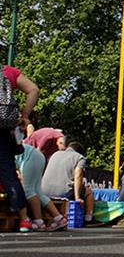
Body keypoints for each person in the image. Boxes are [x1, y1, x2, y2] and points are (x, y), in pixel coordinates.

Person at [0, 65, 38, 232]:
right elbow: (34, 90)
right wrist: (24, 115)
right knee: (9, 173)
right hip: (4, 129)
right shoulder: (8, 72)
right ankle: (24, 220)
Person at [41, 139, 96, 225]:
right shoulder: (79, 158)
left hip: (44, 191)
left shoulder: (55, 154)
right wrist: (77, 197)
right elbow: (78, 176)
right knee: (88, 192)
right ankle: (88, 218)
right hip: (62, 192)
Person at [15, 143, 67, 231]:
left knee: (27, 190)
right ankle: (59, 218)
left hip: (30, 157)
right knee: (37, 191)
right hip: (36, 156)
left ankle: (39, 222)